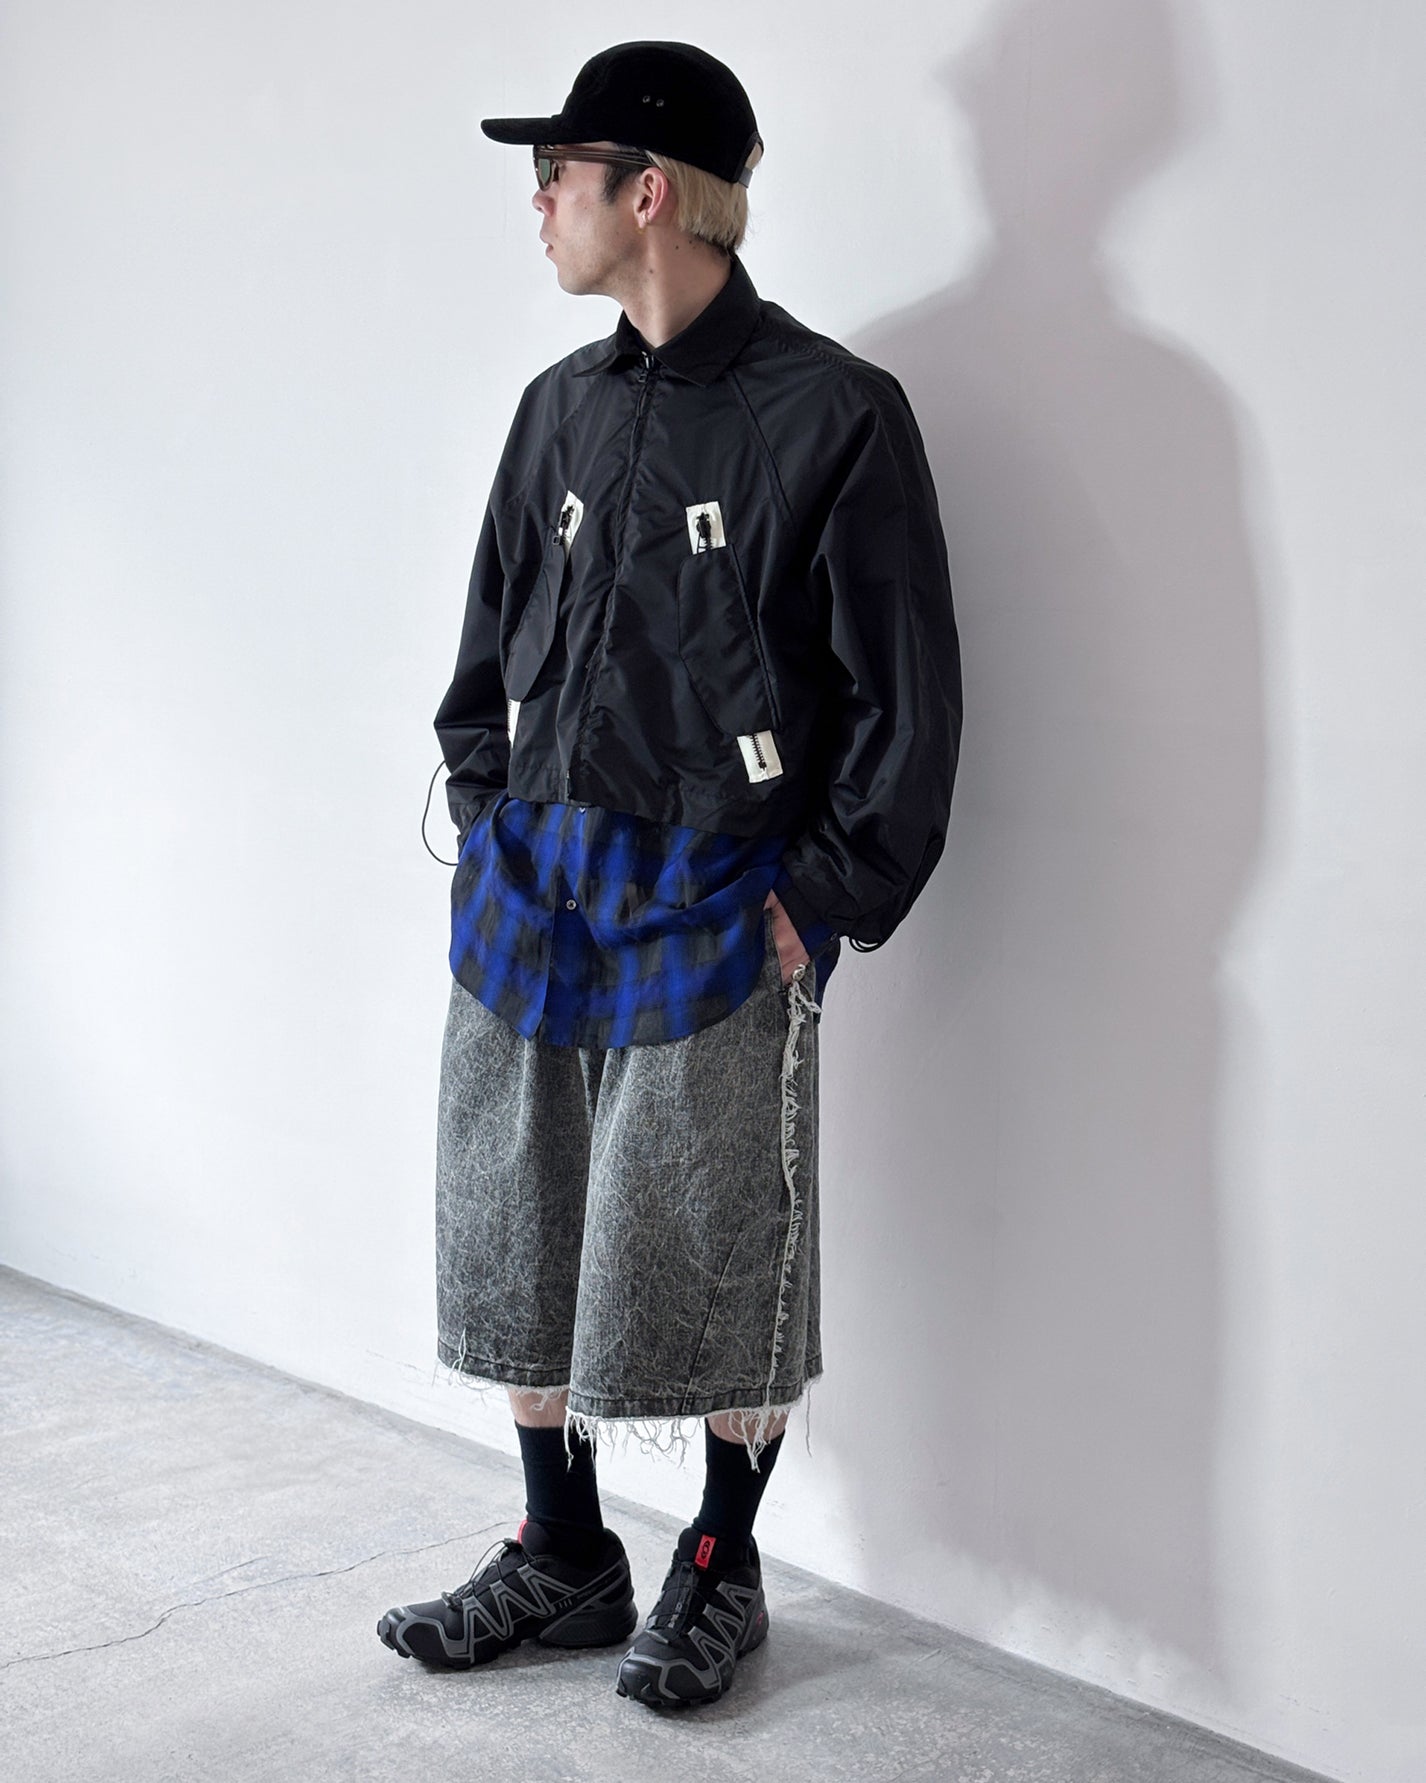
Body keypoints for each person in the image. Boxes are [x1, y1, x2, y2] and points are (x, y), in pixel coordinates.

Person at [377, 40, 962, 1709]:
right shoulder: (555, 408)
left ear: (646, 193)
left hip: (718, 900)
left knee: (716, 1231)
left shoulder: (833, 413)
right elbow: (485, 643)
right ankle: (561, 1547)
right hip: (535, 888)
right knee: (517, 1218)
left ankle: (719, 1558)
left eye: (554, 175)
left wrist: (818, 900)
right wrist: (486, 820)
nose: (537, 206)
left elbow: (905, 701)